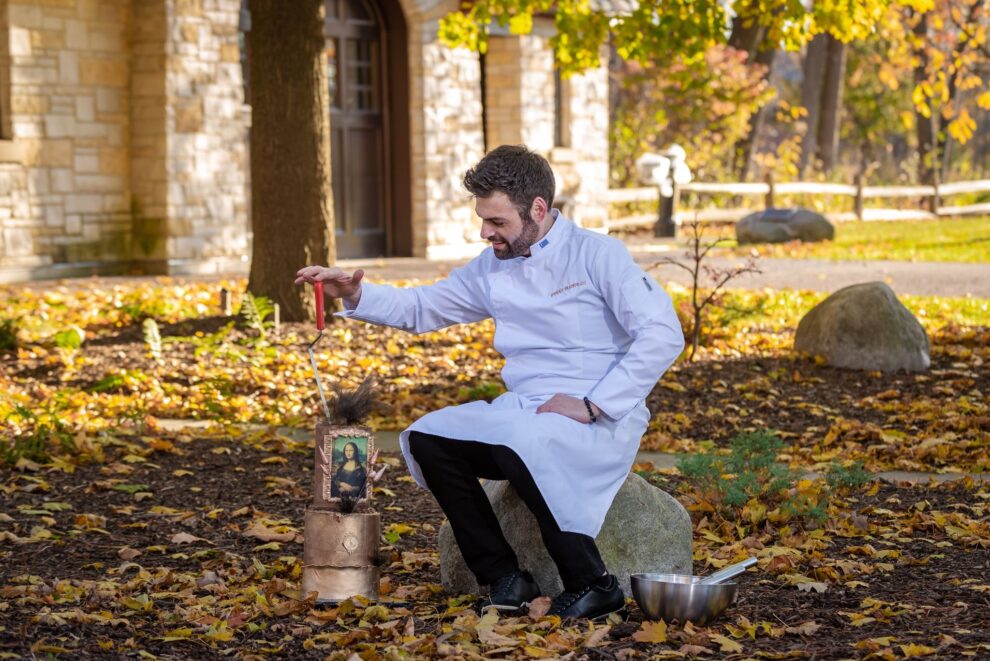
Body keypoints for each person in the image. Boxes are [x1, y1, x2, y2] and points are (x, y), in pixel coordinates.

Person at [296, 145, 684, 620]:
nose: (485, 232)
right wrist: (356, 293)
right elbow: (423, 308)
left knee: (524, 440)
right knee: (426, 438)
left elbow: (663, 333)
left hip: (598, 414)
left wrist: (593, 404)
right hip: (524, 411)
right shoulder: (492, 265)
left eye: (497, 221)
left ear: (538, 209)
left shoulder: (597, 254)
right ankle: (504, 577)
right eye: (482, 219)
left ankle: (594, 583)